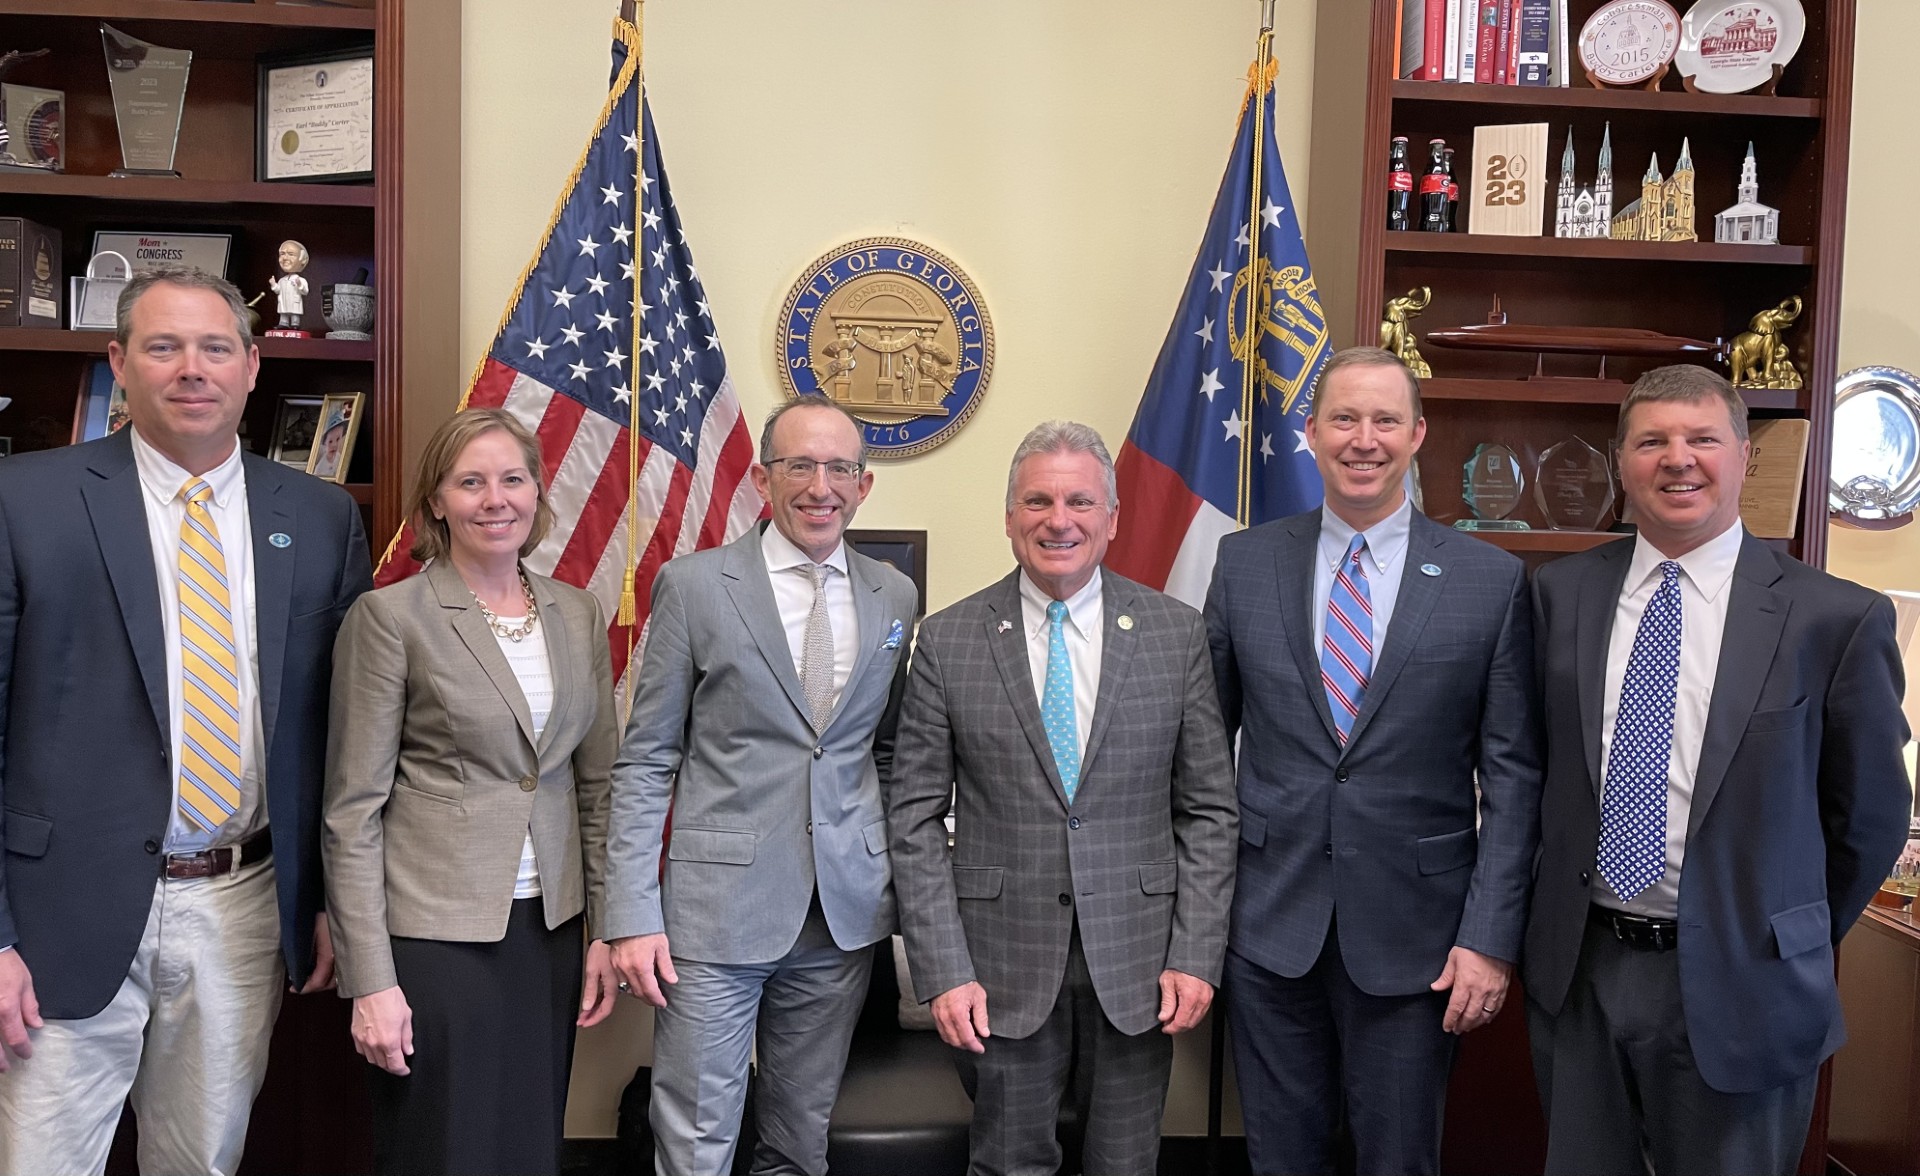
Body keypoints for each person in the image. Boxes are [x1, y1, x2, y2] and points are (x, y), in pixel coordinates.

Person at [0, 266, 372, 1173]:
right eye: (163, 347)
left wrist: (330, 906)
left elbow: (344, 737)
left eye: (215, 348)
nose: (191, 369)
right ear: (120, 364)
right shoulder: (23, 501)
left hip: (242, 904)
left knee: (201, 1162)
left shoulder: (322, 518)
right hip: (57, 915)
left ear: (253, 366)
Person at [1524, 364, 1911, 1176]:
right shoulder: (1557, 596)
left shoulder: (1835, 618)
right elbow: (1533, 772)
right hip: (1583, 972)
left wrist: (1781, 931)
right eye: (1652, 440)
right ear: (1620, 461)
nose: (1678, 459)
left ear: (1744, 457)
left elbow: (1867, 818)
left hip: (1749, 982)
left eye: (1702, 438)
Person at [1204, 346, 1541, 1176]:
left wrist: (1490, 940)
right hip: (1268, 929)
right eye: (1344, 419)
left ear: (1418, 433)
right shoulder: (1245, 563)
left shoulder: (1489, 579)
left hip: (1419, 946)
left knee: (1400, 1161)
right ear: (1310, 433)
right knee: (1281, 1160)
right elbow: (1203, 754)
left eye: (1385, 419)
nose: (1365, 439)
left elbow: (1514, 780)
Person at [889, 420, 1238, 1176]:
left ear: (1111, 519)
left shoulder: (1174, 635)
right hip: (996, 964)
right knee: (1009, 1163)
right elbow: (912, 818)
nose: (1059, 520)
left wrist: (1196, 954)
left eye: (1080, 501)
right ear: (1009, 517)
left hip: (1141, 962)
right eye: (1038, 501)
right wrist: (943, 968)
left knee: (1124, 1165)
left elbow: (1209, 808)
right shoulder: (947, 640)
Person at [605, 397, 918, 1176]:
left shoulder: (894, 597)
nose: (821, 485)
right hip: (715, 914)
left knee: (799, 1135)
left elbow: (880, 750)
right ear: (762, 477)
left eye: (840, 468)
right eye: (800, 465)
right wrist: (632, 913)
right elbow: (648, 759)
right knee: (697, 1135)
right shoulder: (696, 585)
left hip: (840, 914)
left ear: (864, 485)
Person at [323, 408, 618, 1175]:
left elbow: (597, 787)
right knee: (442, 1147)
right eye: (471, 482)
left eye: (513, 478)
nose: (496, 499)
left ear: (537, 493)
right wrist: (371, 981)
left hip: (550, 929)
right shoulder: (391, 618)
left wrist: (605, 930)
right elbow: (351, 813)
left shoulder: (576, 613)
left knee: (527, 1145)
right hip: (433, 938)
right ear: (436, 504)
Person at [268, 240, 309, 332]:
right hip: (283, 302)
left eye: (291, 254)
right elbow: (278, 290)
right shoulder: (282, 280)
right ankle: (283, 324)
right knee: (283, 313)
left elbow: (305, 291)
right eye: (282, 254)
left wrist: (299, 285)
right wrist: (274, 284)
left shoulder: (300, 279)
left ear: (302, 259)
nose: (285, 258)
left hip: (294, 302)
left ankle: (295, 324)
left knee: (294, 314)